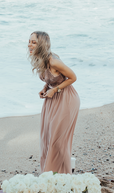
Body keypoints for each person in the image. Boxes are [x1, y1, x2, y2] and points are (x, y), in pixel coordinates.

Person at [27, 31, 80, 174]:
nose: (29, 45)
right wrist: (45, 88)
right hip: (51, 100)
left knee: (58, 141)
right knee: (47, 138)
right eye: (29, 41)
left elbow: (73, 77)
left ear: (42, 45)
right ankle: (49, 173)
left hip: (66, 100)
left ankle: (64, 174)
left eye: (34, 42)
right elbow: (51, 78)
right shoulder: (40, 59)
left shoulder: (54, 61)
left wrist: (55, 90)